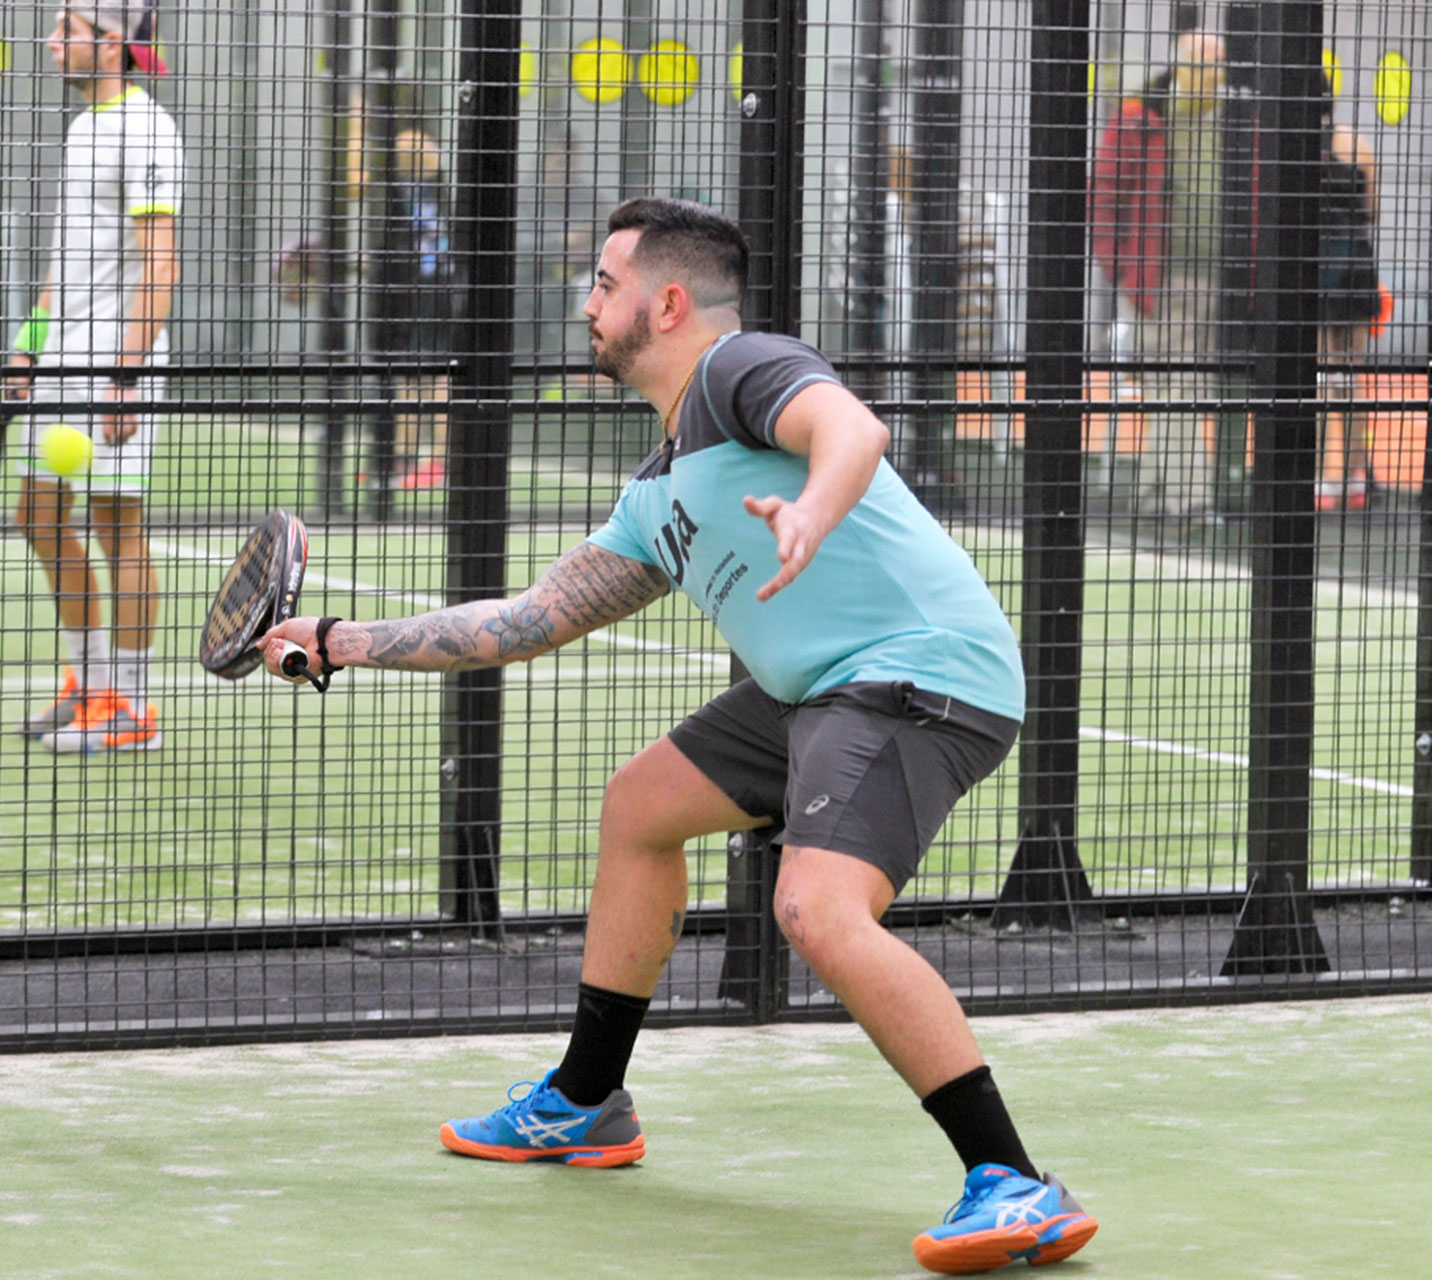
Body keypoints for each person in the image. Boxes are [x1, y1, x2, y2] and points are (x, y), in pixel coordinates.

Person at [257, 198, 1097, 1275]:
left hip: (917, 672)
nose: (587, 304)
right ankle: (585, 1100)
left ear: (663, 301)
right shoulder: (659, 492)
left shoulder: (739, 369)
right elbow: (527, 619)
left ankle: (1012, 1178)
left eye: (603, 285)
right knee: (640, 808)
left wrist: (812, 509)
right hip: (813, 691)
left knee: (815, 906)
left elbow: (852, 429)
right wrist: (342, 639)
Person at [8, 2, 182, 755]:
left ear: (109, 44)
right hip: (61, 362)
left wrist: (126, 374)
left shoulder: (146, 128)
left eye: (65, 29)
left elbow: (161, 262)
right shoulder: (83, 127)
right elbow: (62, 260)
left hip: (114, 365)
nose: (52, 40)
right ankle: (89, 681)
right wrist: (27, 347)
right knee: (38, 518)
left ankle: (131, 708)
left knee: (117, 528)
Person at [1089, 28, 1229, 518]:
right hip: (1155, 277)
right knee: (1181, 382)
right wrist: (1122, 268)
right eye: (1201, 66)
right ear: (1180, 67)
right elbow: (1104, 198)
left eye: (1216, 67)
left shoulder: (1231, 122)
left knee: (1179, 382)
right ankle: (1185, 497)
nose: (1210, 78)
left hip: (1211, 277)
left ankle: (1159, 492)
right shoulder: (1140, 118)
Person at [374, 127, 452, 493]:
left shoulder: (442, 191)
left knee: (438, 377)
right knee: (407, 377)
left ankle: (436, 460)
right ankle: (402, 459)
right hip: (407, 295)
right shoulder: (396, 193)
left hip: (438, 292)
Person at [1315, 105, 1381, 513]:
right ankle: (1356, 478)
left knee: (1321, 372)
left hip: (1322, 262)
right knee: (1351, 374)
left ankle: (1323, 476)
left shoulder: (1299, 145)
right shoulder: (1357, 142)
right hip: (1357, 261)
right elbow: (1373, 210)